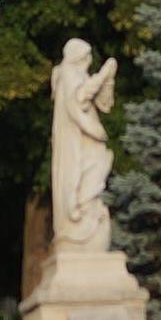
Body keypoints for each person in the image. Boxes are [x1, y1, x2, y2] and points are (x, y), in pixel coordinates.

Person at [47, 38, 118, 258]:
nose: (88, 61)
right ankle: (81, 219)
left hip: (84, 137)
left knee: (95, 173)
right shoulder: (69, 73)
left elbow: (104, 104)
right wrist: (103, 74)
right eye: (86, 57)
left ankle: (87, 217)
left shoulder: (76, 74)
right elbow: (80, 98)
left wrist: (107, 80)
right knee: (86, 174)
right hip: (78, 139)